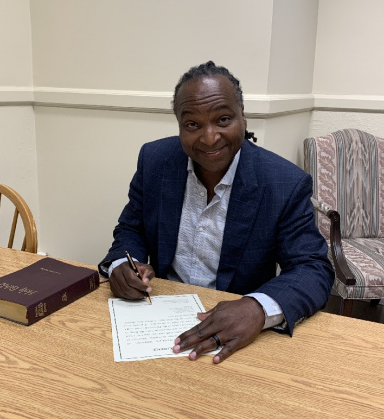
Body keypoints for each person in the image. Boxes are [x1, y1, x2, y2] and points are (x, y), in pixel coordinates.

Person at [99, 61, 334, 364]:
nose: (209, 138)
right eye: (193, 125)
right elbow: (131, 228)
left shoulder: (284, 183)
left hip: (236, 332)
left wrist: (258, 309)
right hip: (156, 318)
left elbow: (313, 268)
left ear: (243, 117)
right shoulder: (155, 161)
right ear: (180, 126)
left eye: (223, 119)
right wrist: (122, 263)